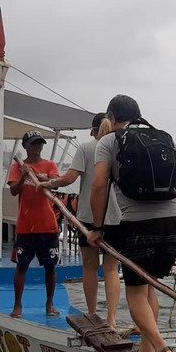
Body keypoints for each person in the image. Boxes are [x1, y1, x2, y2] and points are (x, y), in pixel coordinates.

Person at [90, 94, 176, 352]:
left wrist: (97, 227)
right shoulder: (163, 137)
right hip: (173, 221)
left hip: (138, 224)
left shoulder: (110, 141)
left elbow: (100, 185)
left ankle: (162, 350)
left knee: (136, 293)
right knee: (151, 287)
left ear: (111, 118)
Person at [40, 113, 122, 328]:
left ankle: (93, 313)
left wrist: (50, 184)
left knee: (90, 267)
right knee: (112, 270)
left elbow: (70, 178)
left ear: (93, 130)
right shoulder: (119, 149)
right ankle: (112, 319)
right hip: (117, 217)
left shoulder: (87, 148)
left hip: (88, 216)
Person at [7, 130, 61, 318]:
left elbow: (56, 183)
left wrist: (42, 178)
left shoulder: (50, 165)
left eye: (40, 143)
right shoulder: (18, 167)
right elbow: (14, 191)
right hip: (25, 225)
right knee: (22, 265)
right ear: (25, 146)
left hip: (48, 224)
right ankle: (17, 305)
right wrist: (23, 176)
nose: (37, 147)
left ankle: (50, 303)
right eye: (33, 143)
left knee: (50, 266)